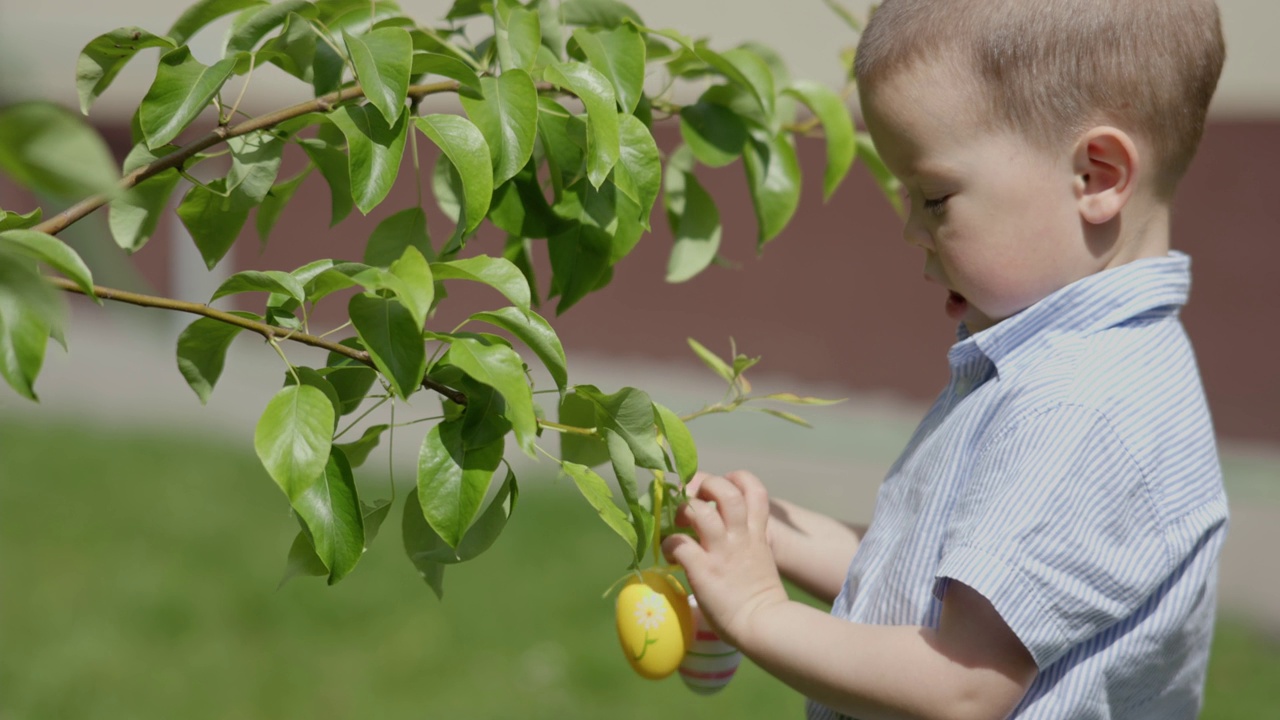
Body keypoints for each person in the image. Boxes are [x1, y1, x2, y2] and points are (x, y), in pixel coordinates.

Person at [661, 1, 1230, 718]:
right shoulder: (1060, 366)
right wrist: (768, 538)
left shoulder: (1077, 407)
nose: (910, 229)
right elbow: (931, 589)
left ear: (1096, 176)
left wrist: (755, 613)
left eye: (933, 197)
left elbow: (962, 684)